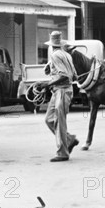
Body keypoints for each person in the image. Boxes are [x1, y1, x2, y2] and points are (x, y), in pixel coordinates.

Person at [37, 31, 79, 162]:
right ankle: (69, 139)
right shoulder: (66, 55)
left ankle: (63, 153)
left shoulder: (56, 55)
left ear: (51, 45)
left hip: (62, 90)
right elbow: (75, 75)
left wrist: (46, 84)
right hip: (61, 90)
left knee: (59, 122)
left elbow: (64, 76)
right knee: (49, 120)